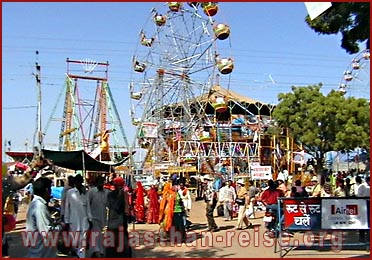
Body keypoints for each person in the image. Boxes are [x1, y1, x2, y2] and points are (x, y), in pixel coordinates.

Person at [25, 177, 63, 258]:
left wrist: (54, 222)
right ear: (46, 190)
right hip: (41, 253)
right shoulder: (39, 207)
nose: (50, 193)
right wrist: (61, 226)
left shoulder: (36, 203)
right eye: (49, 189)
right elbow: (47, 232)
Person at [64, 174, 90, 258]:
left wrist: (90, 219)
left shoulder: (86, 193)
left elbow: (88, 207)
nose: (79, 183)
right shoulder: (70, 192)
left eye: (80, 181)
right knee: (75, 244)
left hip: (84, 221)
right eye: (77, 181)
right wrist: (66, 221)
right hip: (73, 222)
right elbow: (67, 207)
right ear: (75, 182)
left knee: (83, 244)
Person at [106, 176, 131, 257]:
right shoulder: (110, 195)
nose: (120, 188)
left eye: (121, 186)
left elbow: (127, 210)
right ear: (115, 186)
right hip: (113, 223)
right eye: (118, 186)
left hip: (122, 222)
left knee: (124, 247)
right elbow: (115, 206)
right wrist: (122, 196)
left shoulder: (124, 195)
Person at [87, 176, 109, 258]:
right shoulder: (92, 192)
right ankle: (97, 252)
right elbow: (88, 204)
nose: (101, 184)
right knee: (96, 235)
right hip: (94, 218)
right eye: (99, 182)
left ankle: (100, 251)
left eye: (102, 182)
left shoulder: (106, 192)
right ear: (96, 183)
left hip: (103, 218)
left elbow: (109, 204)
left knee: (102, 236)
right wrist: (89, 217)